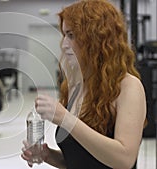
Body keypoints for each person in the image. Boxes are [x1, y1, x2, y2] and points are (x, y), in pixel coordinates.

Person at [21, 0, 147, 169]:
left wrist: (66, 120)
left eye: (71, 35)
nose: (64, 44)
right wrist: (48, 156)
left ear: (96, 38)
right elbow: (80, 160)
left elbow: (124, 160)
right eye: (64, 35)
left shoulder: (128, 87)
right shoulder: (76, 87)